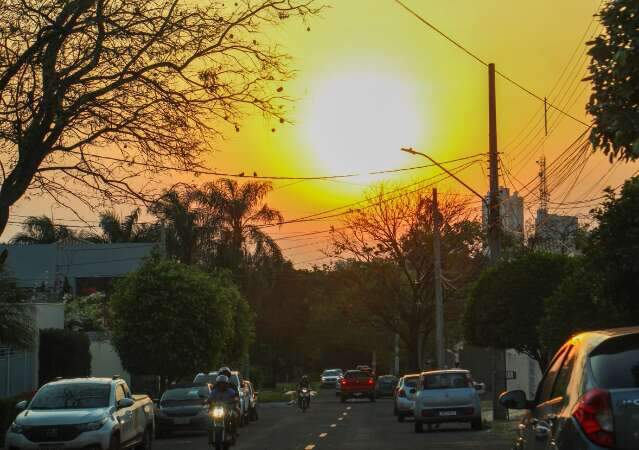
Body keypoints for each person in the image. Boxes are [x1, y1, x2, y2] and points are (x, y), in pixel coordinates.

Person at [208, 375, 239, 442]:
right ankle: (210, 435)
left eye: (224, 383)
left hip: (227, 409)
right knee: (209, 418)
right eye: (220, 383)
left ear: (226, 384)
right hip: (216, 410)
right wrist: (207, 401)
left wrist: (235, 399)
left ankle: (233, 432)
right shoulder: (214, 391)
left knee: (234, 415)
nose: (222, 385)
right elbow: (210, 398)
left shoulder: (230, 391)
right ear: (218, 384)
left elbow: (235, 396)